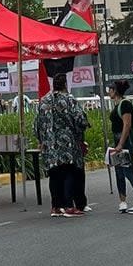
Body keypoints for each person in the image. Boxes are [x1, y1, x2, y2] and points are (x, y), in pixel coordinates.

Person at [33, 74, 89, 218]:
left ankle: (56, 207)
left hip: (49, 146)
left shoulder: (44, 101)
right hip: (67, 145)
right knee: (69, 172)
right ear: (65, 84)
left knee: (54, 174)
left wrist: (42, 139)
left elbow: (36, 125)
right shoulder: (69, 99)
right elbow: (80, 119)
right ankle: (69, 206)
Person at [109, 79, 133, 214]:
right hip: (119, 142)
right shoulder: (118, 104)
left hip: (125, 143)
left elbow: (127, 125)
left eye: (110, 89)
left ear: (115, 91)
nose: (108, 91)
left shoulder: (125, 104)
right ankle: (122, 201)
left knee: (128, 172)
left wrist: (120, 144)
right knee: (119, 171)